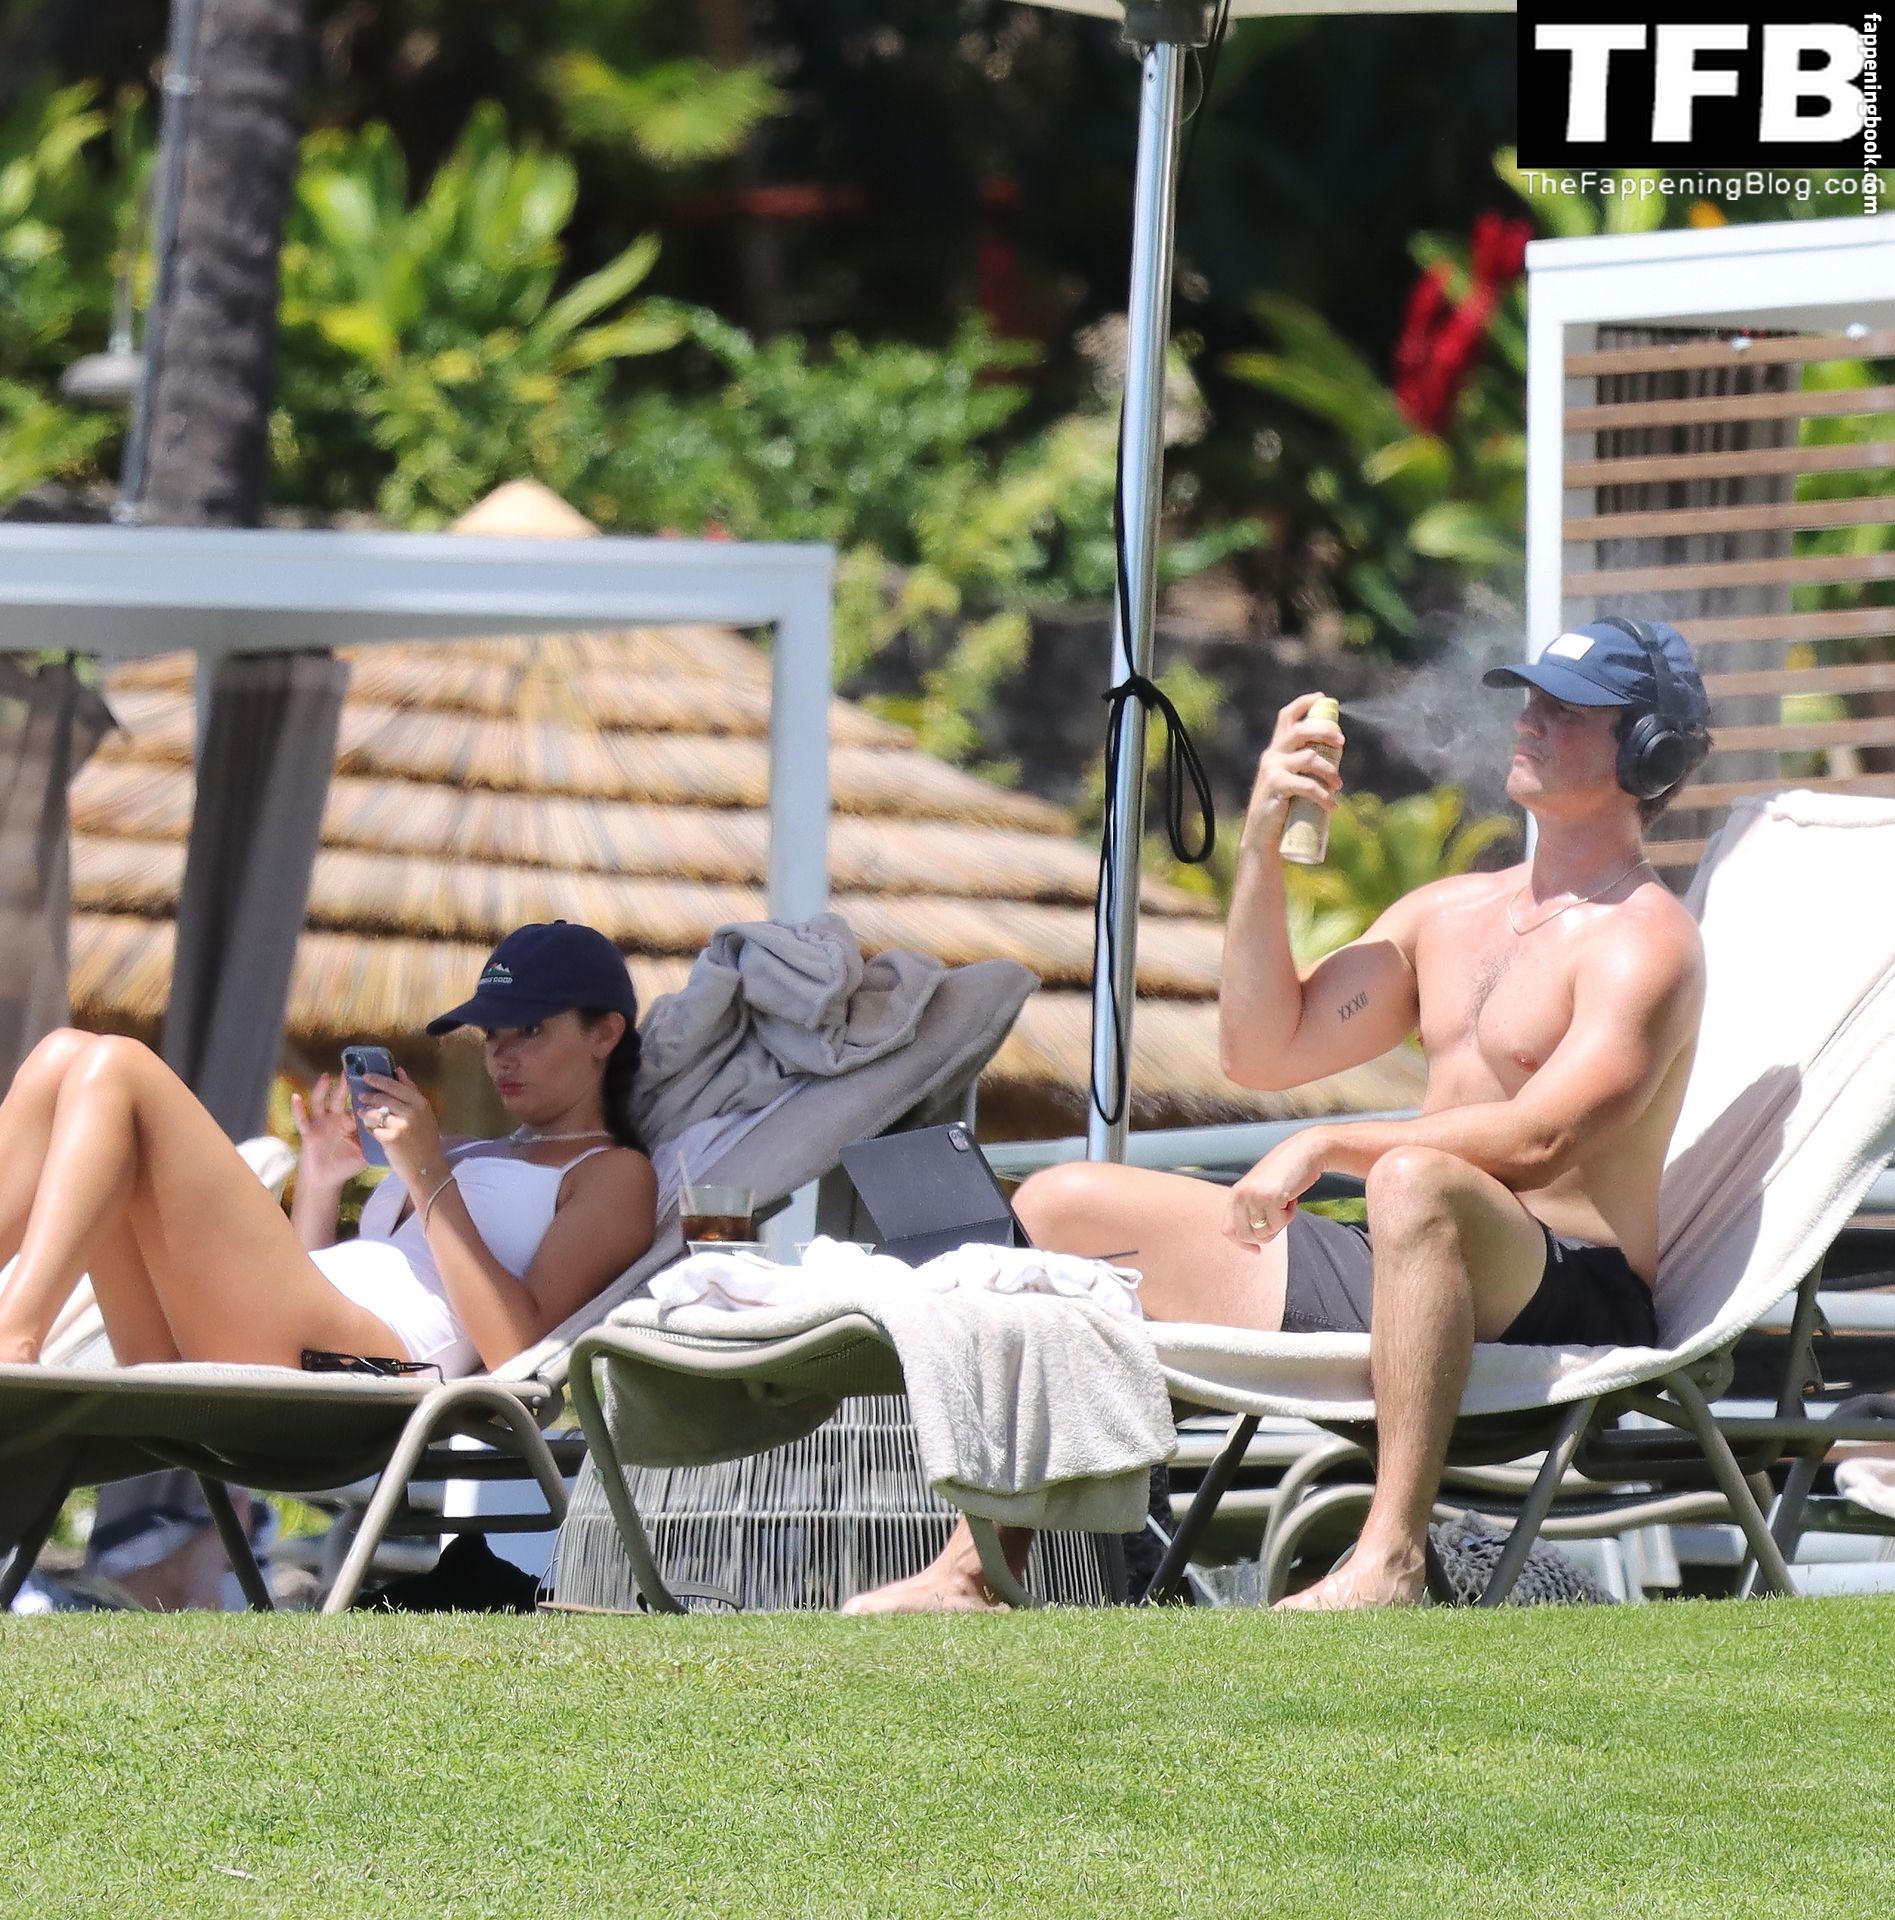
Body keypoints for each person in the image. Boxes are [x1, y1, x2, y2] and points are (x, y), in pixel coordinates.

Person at [844, 615, 1714, 1614]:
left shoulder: (1644, 942)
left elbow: (1543, 1139)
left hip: (1562, 1288)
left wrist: (1330, 1142)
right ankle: (974, 1572)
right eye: (1530, 699)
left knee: (1412, 1179)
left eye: (1566, 709)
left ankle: (1389, 1561)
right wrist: (1260, 843)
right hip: (1408, 1251)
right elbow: (1261, 1050)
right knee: (1061, 1200)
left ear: (1644, 751)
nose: (1530, 720)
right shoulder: (1446, 914)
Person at [0, 920, 657, 1379]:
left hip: (360, 1365)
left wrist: (425, 1171)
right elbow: (317, 1276)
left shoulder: (612, 1174)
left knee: (116, 1067)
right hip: (278, 1334)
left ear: (604, 1034)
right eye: (491, 1036)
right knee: (63, 1054)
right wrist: (320, 1182)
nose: (502, 1056)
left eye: (530, 1030)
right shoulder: (470, 1148)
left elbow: (517, 1350)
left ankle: (14, 1339)